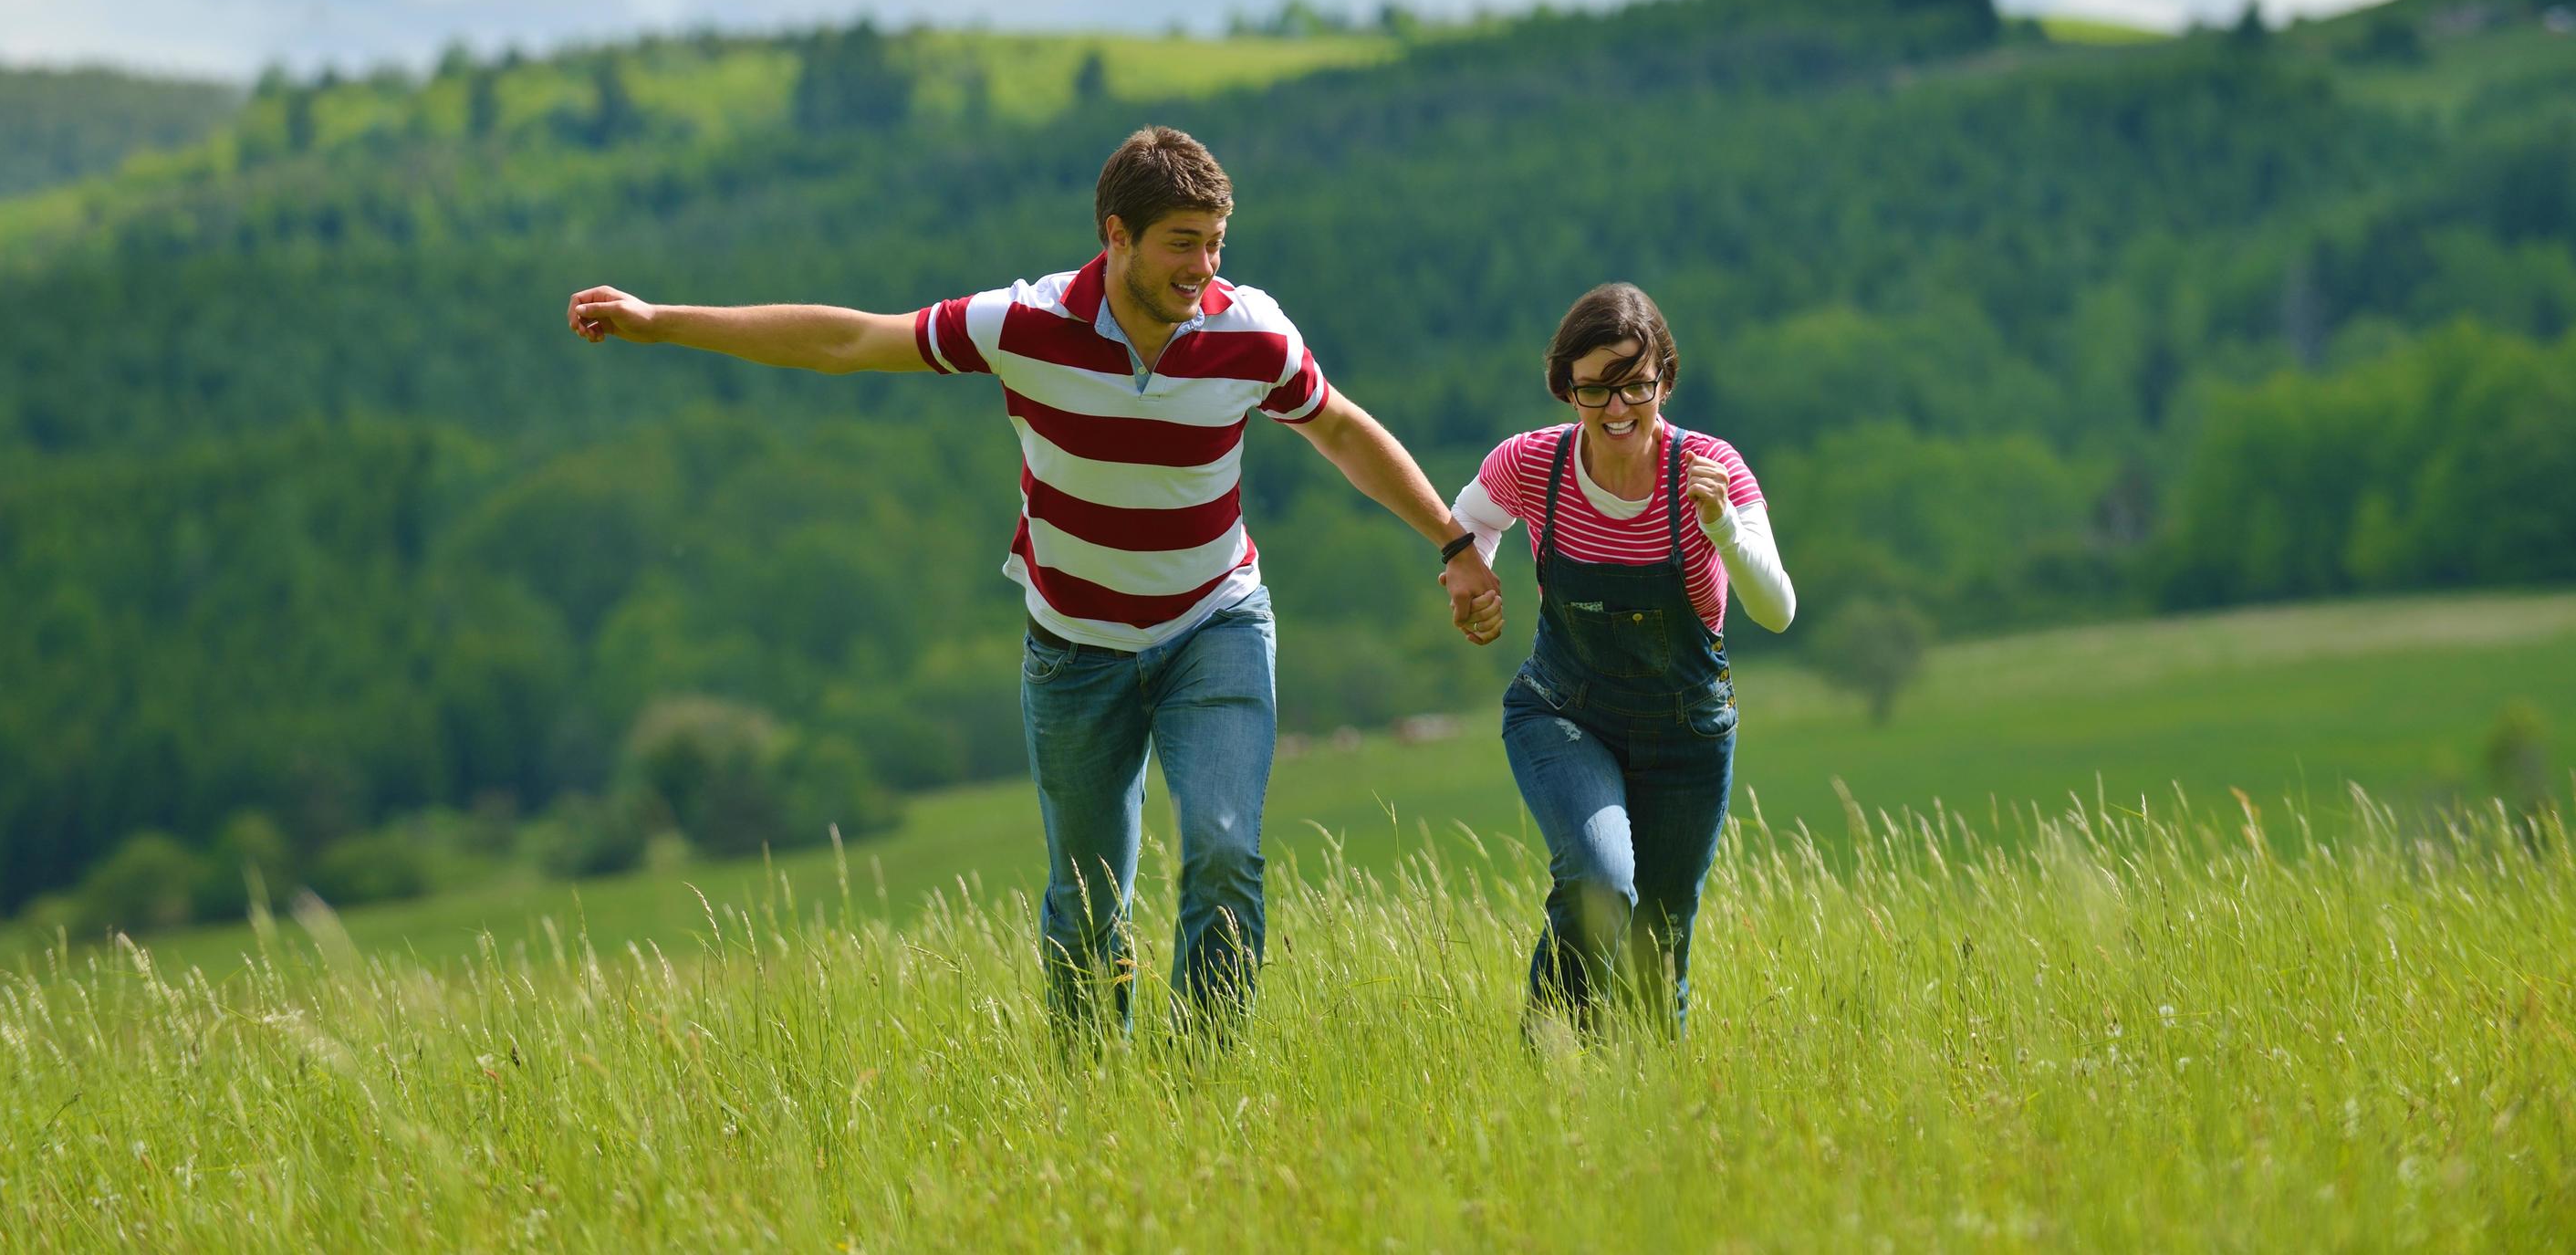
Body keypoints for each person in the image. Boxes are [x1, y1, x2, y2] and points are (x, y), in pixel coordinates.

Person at [567, 125, 1503, 1035]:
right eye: (1182, 246)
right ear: (1116, 237)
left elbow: (1339, 428)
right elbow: (848, 341)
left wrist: (1453, 543)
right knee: (1089, 899)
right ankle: (1094, 1088)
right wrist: (661, 323)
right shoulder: (1024, 324)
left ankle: (1204, 1078)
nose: (1203, 270)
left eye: (1216, 245)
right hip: (1074, 651)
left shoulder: (1251, 335)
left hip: (1212, 625)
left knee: (1224, 846)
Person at [1446, 282, 1795, 1038]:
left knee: (1654, 948)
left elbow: (1776, 610)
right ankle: (1550, 1056)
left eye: (1633, 385)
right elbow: (1468, 522)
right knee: (1599, 880)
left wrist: (1725, 529)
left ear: (1663, 381)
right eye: (1593, 388)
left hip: (1687, 735)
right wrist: (1470, 574)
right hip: (1565, 712)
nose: (1614, 409)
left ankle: (1636, 1112)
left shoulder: (1710, 469)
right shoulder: (1533, 464)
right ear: (1564, 387)